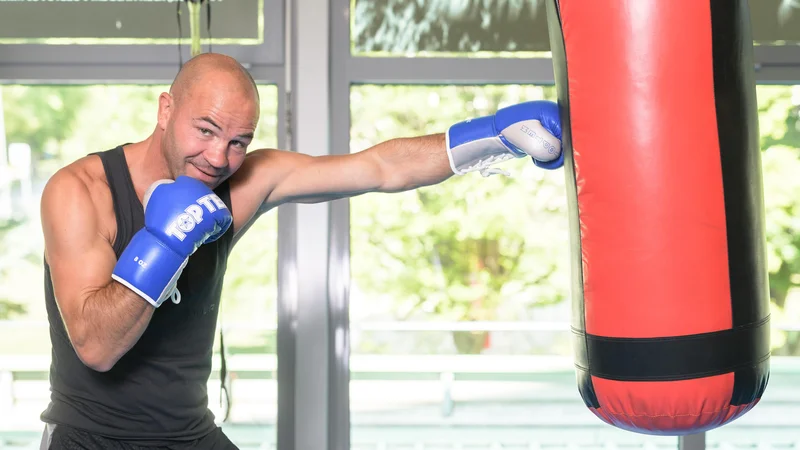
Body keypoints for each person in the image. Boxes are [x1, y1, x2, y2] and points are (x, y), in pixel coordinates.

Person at [37, 53, 564, 449]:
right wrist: (165, 241)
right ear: (165, 109)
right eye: (206, 130)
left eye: (239, 140)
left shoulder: (243, 183)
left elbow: (379, 169)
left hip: (189, 435)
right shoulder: (81, 190)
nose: (219, 157)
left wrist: (495, 136)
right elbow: (96, 346)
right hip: (89, 438)